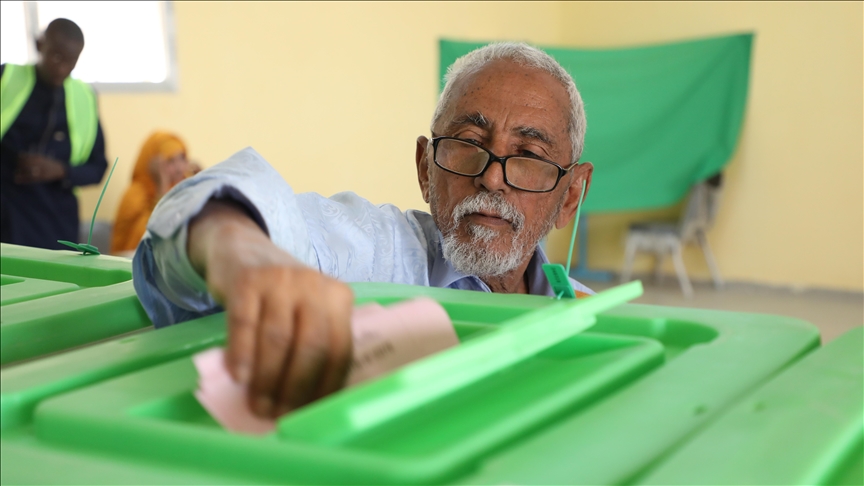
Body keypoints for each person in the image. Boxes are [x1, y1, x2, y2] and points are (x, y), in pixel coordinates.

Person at [134, 42, 595, 419]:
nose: (491, 177)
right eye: (469, 144)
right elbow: (243, 212)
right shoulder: (379, 252)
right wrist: (242, 251)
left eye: (529, 155)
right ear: (425, 170)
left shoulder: (594, 321)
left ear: (570, 195)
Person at [0, 18, 108, 250]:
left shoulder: (84, 98)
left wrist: (60, 170)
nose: (62, 68)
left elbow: (98, 168)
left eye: (71, 61)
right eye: (56, 56)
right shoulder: (6, 78)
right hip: (8, 217)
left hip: (57, 226)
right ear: (40, 45)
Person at [111, 131, 200, 256]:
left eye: (182, 159)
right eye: (170, 161)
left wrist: (200, 184)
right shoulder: (135, 194)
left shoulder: (178, 188)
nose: (180, 168)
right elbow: (149, 238)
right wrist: (161, 187)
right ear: (152, 163)